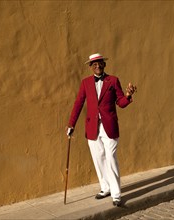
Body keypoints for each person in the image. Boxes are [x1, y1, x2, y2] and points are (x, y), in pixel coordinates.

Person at [66, 53, 137, 206]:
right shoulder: (85, 83)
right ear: (90, 67)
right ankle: (105, 188)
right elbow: (78, 104)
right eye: (94, 64)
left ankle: (116, 194)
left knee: (111, 158)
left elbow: (120, 102)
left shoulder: (113, 80)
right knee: (98, 159)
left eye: (99, 63)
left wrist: (128, 96)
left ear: (104, 64)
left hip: (109, 126)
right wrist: (71, 124)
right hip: (92, 127)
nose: (97, 66)